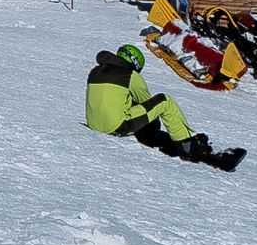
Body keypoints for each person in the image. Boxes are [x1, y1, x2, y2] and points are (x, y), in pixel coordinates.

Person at [83, 42, 241, 169]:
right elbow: (146, 103)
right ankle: (186, 145)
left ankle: (159, 136)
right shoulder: (130, 75)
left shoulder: (95, 71)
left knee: (127, 100)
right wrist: (152, 128)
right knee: (164, 101)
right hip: (116, 125)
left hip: (94, 124)